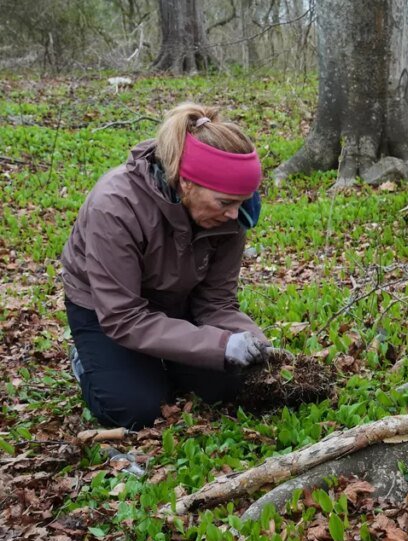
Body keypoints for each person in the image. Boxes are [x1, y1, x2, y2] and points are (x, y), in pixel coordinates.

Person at [61, 102, 271, 430]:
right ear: (187, 183)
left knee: (228, 386)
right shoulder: (116, 207)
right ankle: (88, 362)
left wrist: (255, 342)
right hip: (108, 310)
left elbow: (216, 303)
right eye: (225, 203)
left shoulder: (233, 214)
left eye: (242, 202)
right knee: (136, 408)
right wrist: (219, 346)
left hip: (175, 299)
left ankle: (160, 362)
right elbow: (123, 317)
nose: (234, 214)